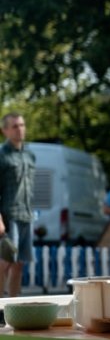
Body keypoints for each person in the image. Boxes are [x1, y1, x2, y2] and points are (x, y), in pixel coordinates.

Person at [0, 113, 35, 297]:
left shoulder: (30, 155)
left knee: (19, 264)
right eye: (14, 126)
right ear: (4, 130)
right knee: (4, 263)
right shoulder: (1, 155)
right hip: (8, 216)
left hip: (27, 215)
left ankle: (13, 307)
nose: (20, 129)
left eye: (22, 125)